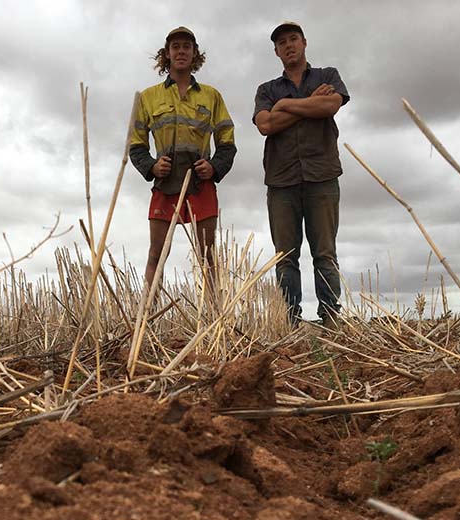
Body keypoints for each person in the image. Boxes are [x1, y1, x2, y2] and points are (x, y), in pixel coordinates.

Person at [253, 21, 350, 329]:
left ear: (304, 42)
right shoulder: (267, 90)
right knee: (285, 257)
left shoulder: (327, 76)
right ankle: (289, 323)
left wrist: (285, 106)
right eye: (282, 43)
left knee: (324, 253)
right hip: (281, 181)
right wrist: (309, 104)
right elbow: (265, 125)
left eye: (293, 39)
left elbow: (331, 104)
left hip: (322, 176)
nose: (289, 45)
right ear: (276, 51)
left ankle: (331, 319)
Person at [129, 26, 236, 284]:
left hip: (201, 183)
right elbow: (136, 145)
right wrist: (152, 167)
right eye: (175, 47)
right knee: (156, 254)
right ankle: (146, 317)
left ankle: (214, 318)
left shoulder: (212, 96)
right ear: (167, 53)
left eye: (186, 47)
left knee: (208, 257)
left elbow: (227, 143)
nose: (181, 51)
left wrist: (214, 167)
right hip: (165, 183)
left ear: (194, 53)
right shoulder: (148, 97)